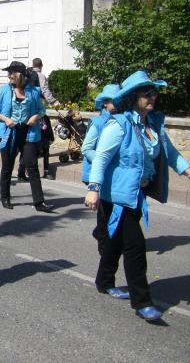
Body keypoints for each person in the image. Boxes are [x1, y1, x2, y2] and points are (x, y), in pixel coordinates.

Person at [84, 71, 190, 321]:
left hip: (136, 193)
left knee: (115, 242)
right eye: (146, 94)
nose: (152, 97)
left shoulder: (153, 125)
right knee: (135, 246)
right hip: (116, 195)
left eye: (154, 93)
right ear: (132, 98)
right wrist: (93, 188)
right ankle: (142, 301)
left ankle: (103, 280)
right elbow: (102, 157)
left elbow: (170, 153)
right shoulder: (119, 125)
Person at [0, 61, 54, 212]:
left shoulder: (33, 91)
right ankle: (5, 197)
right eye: (9, 73)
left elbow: (42, 110)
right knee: (7, 167)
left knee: (32, 166)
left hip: (28, 132)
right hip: (8, 132)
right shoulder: (4, 90)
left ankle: (39, 202)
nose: (9, 76)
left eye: (12, 73)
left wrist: (35, 117)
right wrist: (5, 119)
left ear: (20, 75)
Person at [81, 84, 120, 255]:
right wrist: (103, 160)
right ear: (105, 103)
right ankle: (104, 245)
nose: (117, 103)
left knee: (113, 209)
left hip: (115, 174)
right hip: (98, 173)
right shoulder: (98, 122)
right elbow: (86, 149)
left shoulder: (123, 120)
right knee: (105, 210)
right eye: (113, 100)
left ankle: (103, 234)